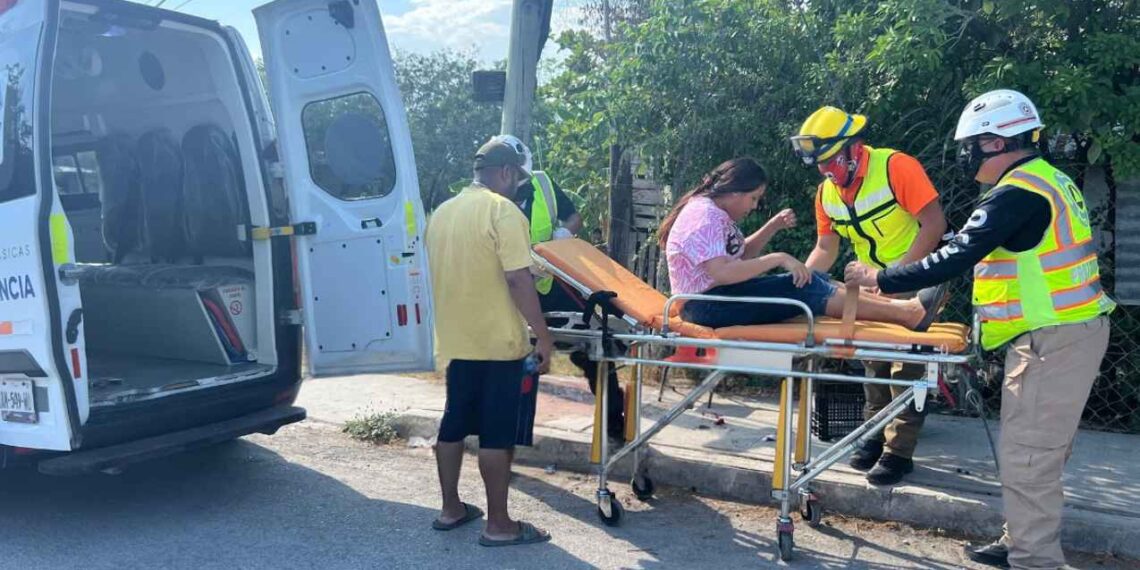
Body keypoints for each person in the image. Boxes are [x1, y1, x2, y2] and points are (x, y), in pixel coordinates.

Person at [844, 89, 1116, 570]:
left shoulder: (1018, 192)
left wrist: (879, 278)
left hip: (1054, 340)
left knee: (1029, 456)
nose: (967, 155)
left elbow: (956, 256)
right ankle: (1021, 540)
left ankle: (1034, 560)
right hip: (1062, 335)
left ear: (995, 143)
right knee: (1034, 454)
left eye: (971, 145)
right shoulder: (1046, 180)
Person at [790, 106, 950, 485]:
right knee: (873, 363)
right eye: (818, 164)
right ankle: (874, 435)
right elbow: (826, 247)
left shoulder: (896, 167)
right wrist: (801, 281)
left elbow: (934, 225)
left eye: (829, 160)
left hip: (918, 276)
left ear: (853, 148)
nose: (824, 170)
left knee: (908, 368)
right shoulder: (826, 193)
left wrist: (894, 277)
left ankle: (899, 452)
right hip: (869, 284)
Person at [426, 136, 554, 547]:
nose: (519, 187)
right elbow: (517, 279)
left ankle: (450, 509)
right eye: (518, 179)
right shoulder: (503, 211)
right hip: (498, 343)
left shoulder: (442, 213)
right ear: (506, 172)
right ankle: (499, 525)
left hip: (456, 339)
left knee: (453, 424)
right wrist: (543, 336)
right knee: (497, 434)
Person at [659, 157, 946, 331]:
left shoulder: (712, 212)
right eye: (753, 198)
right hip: (706, 306)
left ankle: (899, 306)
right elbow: (722, 272)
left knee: (814, 279)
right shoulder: (704, 216)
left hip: (717, 300)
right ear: (735, 191)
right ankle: (908, 314)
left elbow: (739, 257)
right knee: (805, 288)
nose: (754, 206)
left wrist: (772, 226)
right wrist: (779, 257)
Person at [491, 134, 627, 444]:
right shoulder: (488, 201)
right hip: (510, 290)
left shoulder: (542, 183)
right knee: (518, 358)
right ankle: (510, 433)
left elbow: (573, 216)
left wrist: (563, 232)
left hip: (550, 282)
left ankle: (613, 423)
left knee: (594, 341)